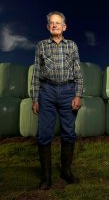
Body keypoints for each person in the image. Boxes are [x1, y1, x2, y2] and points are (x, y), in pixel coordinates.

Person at [30, 11, 83, 190]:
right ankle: (46, 177)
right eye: (51, 23)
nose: (54, 25)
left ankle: (66, 171)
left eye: (58, 23)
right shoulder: (41, 46)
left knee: (69, 132)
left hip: (68, 91)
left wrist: (78, 95)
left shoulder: (72, 46)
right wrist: (35, 98)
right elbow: (36, 73)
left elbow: (78, 73)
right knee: (44, 134)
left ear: (64, 27)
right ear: (48, 27)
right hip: (47, 92)